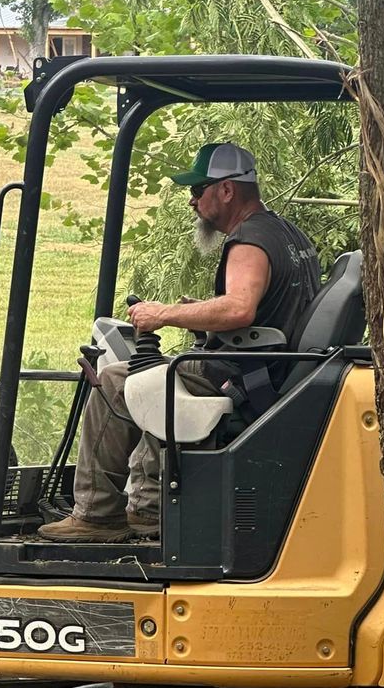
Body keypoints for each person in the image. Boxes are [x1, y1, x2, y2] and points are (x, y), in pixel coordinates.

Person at [37, 141, 321, 543]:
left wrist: (164, 314)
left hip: (242, 374)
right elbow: (270, 307)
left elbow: (241, 309)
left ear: (226, 190)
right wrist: (202, 313)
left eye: (197, 190)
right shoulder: (286, 232)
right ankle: (150, 507)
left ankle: (97, 514)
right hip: (271, 368)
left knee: (115, 379)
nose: (192, 201)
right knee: (154, 377)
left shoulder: (249, 241)